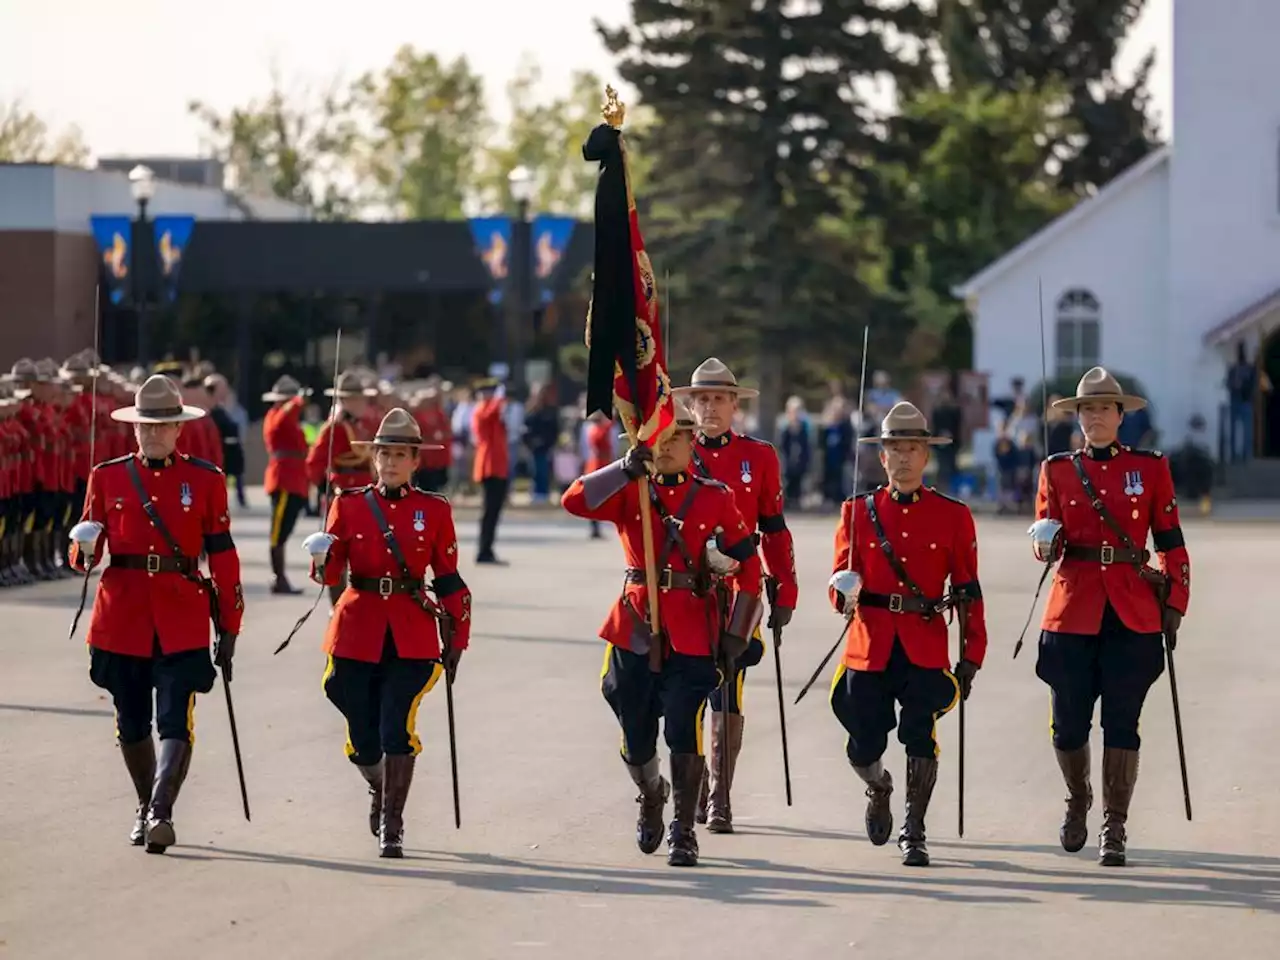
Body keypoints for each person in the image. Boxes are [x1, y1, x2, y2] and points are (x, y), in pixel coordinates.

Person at [561, 400, 763, 867]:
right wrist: (621, 469)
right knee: (633, 726)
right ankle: (652, 791)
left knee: (681, 725)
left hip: (693, 625)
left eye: (678, 438)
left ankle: (683, 828)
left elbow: (749, 565)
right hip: (636, 622)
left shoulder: (714, 496)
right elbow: (573, 500)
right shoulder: (631, 489)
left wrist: (738, 632)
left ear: (693, 443)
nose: (669, 447)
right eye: (660, 440)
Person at [67, 375, 244, 854]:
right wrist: (82, 549)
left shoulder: (204, 480)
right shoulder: (108, 475)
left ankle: (162, 810)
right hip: (122, 612)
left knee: (174, 718)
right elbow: (87, 549)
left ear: (179, 429)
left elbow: (223, 555)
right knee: (130, 722)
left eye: (163, 425)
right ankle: (146, 804)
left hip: (181, 610)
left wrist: (229, 624)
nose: (154, 433)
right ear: (134, 428)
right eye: (146, 425)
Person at [1029, 367, 1191, 867]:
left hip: (1131, 610)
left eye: (1103, 408)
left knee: (1123, 722)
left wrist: (1176, 602)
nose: (1094, 416)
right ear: (1076, 418)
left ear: (1121, 416)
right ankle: (1078, 799)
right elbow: (1043, 540)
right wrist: (1043, 541)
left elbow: (1170, 542)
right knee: (1069, 726)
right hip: (1073, 607)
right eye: (1086, 409)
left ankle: (1114, 824)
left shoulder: (1151, 467)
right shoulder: (1056, 469)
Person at [827, 401, 988, 867]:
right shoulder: (857, 512)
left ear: (926, 455)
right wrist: (843, 595)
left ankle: (914, 829)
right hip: (870, 640)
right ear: (882, 457)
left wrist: (972, 654)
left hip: (922, 640)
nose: (902, 457)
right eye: (893, 448)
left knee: (920, 733)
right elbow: (840, 578)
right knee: (864, 741)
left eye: (911, 448)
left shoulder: (952, 515)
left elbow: (967, 590)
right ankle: (878, 785)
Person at [307, 408, 471, 858]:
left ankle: (393, 824)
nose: (392, 462)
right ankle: (379, 783)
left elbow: (450, 578)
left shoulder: (433, 509)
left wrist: (458, 636)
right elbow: (330, 574)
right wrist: (321, 557)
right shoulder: (350, 503)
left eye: (401, 454)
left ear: (416, 461)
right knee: (357, 724)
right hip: (358, 624)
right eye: (385, 454)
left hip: (410, 627)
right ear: (373, 459)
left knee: (396, 723)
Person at [673, 357, 798, 833]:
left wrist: (784, 588)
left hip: (737, 591)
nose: (710, 408)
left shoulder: (759, 456)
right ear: (690, 404)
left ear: (734, 405)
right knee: (692, 692)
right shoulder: (675, 450)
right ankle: (698, 787)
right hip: (687, 593)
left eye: (719, 399)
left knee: (729, 687)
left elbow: (774, 528)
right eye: (701, 399)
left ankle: (719, 796)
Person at [306, 371, 377, 606]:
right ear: (343, 401)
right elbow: (314, 463)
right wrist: (324, 487)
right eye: (353, 399)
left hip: (368, 495)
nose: (360, 403)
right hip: (344, 495)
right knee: (336, 553)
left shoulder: (365, 426)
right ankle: (337, 607)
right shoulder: (333, 428)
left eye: (361, 398)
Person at [262, 375, 312, 594]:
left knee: (285, 531)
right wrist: (298, 401)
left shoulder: (291, 419)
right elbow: (283, 417)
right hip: (283, 479)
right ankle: (278, 578)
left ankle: (280, 577)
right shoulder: (275, 416)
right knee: (278, 534)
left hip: (296, 479)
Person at [471, 378, 510, 564]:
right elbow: (489, 414)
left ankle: (488, 548)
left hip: (497, 465)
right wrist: (498, 399)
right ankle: (483, 550)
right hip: (489, 465)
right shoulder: (481, 409)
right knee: (489, 511)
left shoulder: (491, 408)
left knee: (494, 511)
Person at [410, 385, 452, 493]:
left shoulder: (439, 414)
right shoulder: (416, 416)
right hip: (422, 460)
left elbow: (447, 432)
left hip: (435, 459)